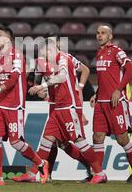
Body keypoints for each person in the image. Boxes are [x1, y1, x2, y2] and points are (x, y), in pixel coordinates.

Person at [13, 37, 94, 183]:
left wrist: (79, 88)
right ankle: (44, 174)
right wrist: (40, 91)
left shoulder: (66, 58)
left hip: (69, 104)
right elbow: (37, 84)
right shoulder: (40, 63)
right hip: (54, 105)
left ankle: (94, 167)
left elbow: (85, 70)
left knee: (68, 141)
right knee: (53, 141)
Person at [0, 27, 49, 186]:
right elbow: (3, 80)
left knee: (16, 143)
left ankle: (41, 164)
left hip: (14, 105)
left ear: (8, 38)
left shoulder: (17, 55)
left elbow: (13, 79)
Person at [90, 24, 132, 183]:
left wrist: (119, 90)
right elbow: (104, 78)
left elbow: (131, 69)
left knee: (122, 139)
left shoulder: (116, 51)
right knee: (97, 137)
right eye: (98, 33)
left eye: (103, 33)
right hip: (101, 103)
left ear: (110, 36)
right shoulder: (99, 53)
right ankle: (99, 174)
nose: (99, 36)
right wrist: (96, 94)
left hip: (116, 102)